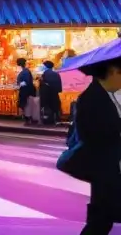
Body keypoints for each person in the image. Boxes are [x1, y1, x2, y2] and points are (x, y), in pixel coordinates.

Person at [73, 55, 121, 233]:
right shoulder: (93, 99)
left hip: (108, 169)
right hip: (105, 170)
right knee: (100, 221)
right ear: (113, 72)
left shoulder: (104, 95)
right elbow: (95, 134)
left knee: (101, 220)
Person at [40, 60, 63, 125]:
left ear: (46, 66)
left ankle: (49, 120)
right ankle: (57, 119)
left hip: (47, 94)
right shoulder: (56, 74)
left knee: (48, 107)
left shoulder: (45, 74)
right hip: (55, 93)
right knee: (55, 107)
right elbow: (59, 86)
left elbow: (44, 85)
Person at [16, 58, 38, 125]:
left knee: (26, 105)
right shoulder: (25, 71)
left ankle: (28, 119)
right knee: (27, 105)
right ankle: (29, 119)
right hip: (27, 91)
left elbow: (26, 82)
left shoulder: (25, 72)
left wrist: (19, 84)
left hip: (26, 91)